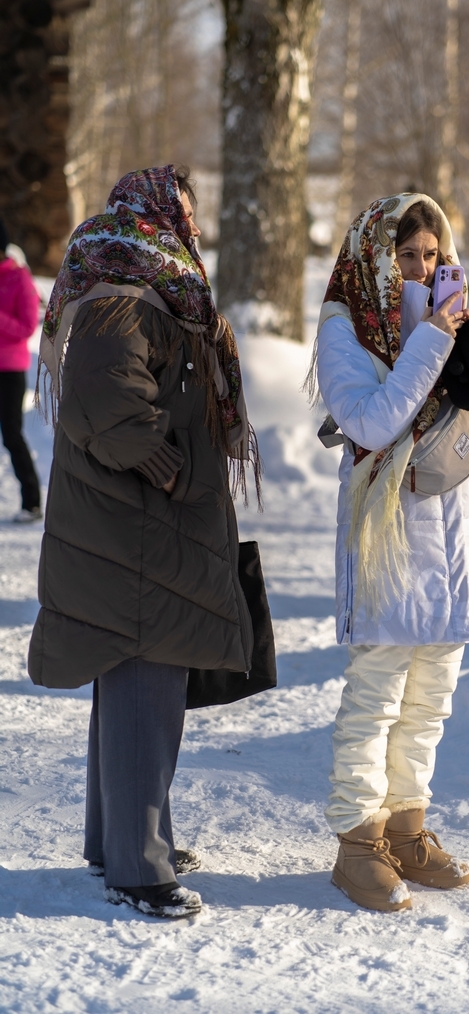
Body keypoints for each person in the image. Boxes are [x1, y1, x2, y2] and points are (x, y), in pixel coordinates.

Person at [28, 167, 259, 919]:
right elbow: (101, 394)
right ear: (153, 211)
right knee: (145, 683)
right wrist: (165, 461)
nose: (193, 224)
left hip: (135, 523)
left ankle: (120, 841)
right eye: (183, 210)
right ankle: (138, 866)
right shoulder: (125, 286)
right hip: (134, 524)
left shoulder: (136, 279)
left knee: (132, 682)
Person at [313, 194, 469, 912]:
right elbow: (370, 422)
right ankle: (357, 841)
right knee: (376, 698)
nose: (422, 269)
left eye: (433, 255)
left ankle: (406, 828)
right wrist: (428, 342)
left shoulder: (447, 320)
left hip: (453, 532)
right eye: (407, 256)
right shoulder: (345, 327)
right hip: (388, 535)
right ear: (376, 257)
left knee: (430, 701)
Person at [0, 217, 42, 522]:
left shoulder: (20, 279)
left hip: (9, 370)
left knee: (12, 435)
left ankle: (32, 503)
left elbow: (27, 327)